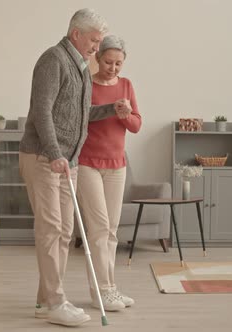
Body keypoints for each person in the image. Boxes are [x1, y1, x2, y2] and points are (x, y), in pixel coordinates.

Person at [19, 9, 131, 327]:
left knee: (65, 232)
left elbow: (78, 115)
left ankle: (46, 301)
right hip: (43, 157)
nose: (97, 48)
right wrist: (55, 152)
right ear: (76, 34)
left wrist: (111, 108)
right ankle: (55, 301)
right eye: (94, 41)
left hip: (67, 161)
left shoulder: (80, 65)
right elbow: (42, 112)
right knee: (52, 229)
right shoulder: (54, 59)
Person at [76, 35, 141, 311]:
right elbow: (78, 118)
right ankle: (102, 291)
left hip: (117, 166)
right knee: (99, 229)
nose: (113, 68)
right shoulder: (86, 84)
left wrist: (126, 114)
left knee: (112, 231)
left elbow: (136, 126)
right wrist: (107, 111)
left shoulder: (126, 86)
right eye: (108, 62)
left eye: (119, 63)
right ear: (97, 58)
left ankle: (109, 289)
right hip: (88, 164)